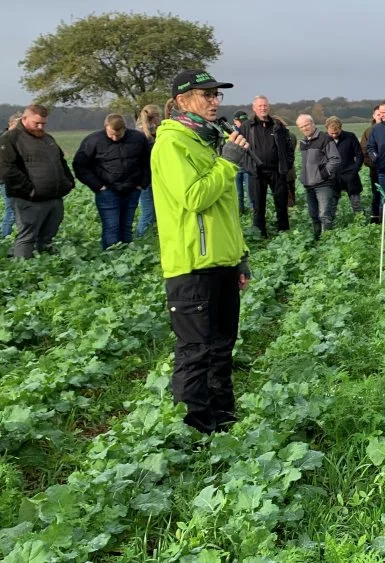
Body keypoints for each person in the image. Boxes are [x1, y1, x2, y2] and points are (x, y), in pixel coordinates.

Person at [152, 69, 253, 434]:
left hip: (221, 263)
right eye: (205, 95)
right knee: (196, 352)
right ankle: (194, 433)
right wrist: (227, 163)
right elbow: (194, 198)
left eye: (216, 95)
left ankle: (224, 422)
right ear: (182, 101)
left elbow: (223, 211)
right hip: (192, 266)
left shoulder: (204, 141)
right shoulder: (172, 144)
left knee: (221, 348)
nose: (214, 101)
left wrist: (238, 256)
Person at [0, 105, 75, 258]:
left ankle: (45, 268)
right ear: (25, 119)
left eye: (44, 123)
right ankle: (23, 272)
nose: (41, 127)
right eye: (37, 123)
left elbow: (61, 161)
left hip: (54, 197)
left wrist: (68, 182)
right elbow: (7, 169)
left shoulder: (48, 138)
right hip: (28, 199)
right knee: (27, 237)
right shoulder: (10, 138)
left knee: (47, 237)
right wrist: (30, 190)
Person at [72, 113, 151, 250]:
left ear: (124, 129)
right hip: (107, 191)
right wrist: (98, 185)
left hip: (132, 189)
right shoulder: (93, 141)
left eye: (118, 135)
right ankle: (112, 257)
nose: (114, 138)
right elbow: (80, 165)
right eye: (111, 134)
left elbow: (147, 162)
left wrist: (142, 183)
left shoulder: (138, 139)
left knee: (126, 226)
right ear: (105, 127)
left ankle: (126, 255)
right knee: (111, 226)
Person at [245, 96, 292, 237]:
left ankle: (283, 231)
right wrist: (247, 165)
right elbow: (238, 147)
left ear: (269, 107)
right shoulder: (247, 126)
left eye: (265, 105)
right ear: (254, 108)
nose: (263, 108)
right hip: (256, 172)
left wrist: (287, 163)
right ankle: (260, 233)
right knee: (258, 205)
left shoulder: (277, 125)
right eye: (259, 106)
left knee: (281, 203)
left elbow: (289, 146)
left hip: (277, 170)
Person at [296, 114, 341, 239]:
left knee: (324, 214)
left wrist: (323, 174)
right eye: (301, 127)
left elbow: (335, 159)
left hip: (323, 184)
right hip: (309, 184)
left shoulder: (325, 139)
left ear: (312, 124)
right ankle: (317, 240)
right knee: (313, 214)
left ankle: (327, 241)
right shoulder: (303, 142)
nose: (304, 128)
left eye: (306, 125)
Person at [325, 116, 364, 220]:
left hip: (350, 176)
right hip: (332, 177)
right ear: (326, 129)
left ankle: (361, 225)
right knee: (331, 205)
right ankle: (329, 228)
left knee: (356, 204)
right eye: (331, 133)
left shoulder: (350, 137)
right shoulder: (324, 139)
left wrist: (355, 169)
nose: (333, 135)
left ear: (340, 128)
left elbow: (359, 154)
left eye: (336, 133)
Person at [136, 105, 162, 236]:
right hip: (148, 179)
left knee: (152, 212)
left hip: (146, 179)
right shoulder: (150, 135)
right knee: (148, 213)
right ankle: (141, 238)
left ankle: (148, 238)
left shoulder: (139, 133)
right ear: (155, 117)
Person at [0, 114, 19, 239]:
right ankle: (4, 238)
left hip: (14, 180)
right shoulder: (5, 140)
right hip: (6, 180)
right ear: (11, 124)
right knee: (11, 212)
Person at [231, 111, 253, 215]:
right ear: (235, 121)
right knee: (238, 193)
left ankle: (254, 211)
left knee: (250, 192)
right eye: (240, 122)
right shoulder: (230, 133)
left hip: (248, 167)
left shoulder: (251, 131)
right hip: (236, 168)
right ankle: (240, 212)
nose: (243, 124)